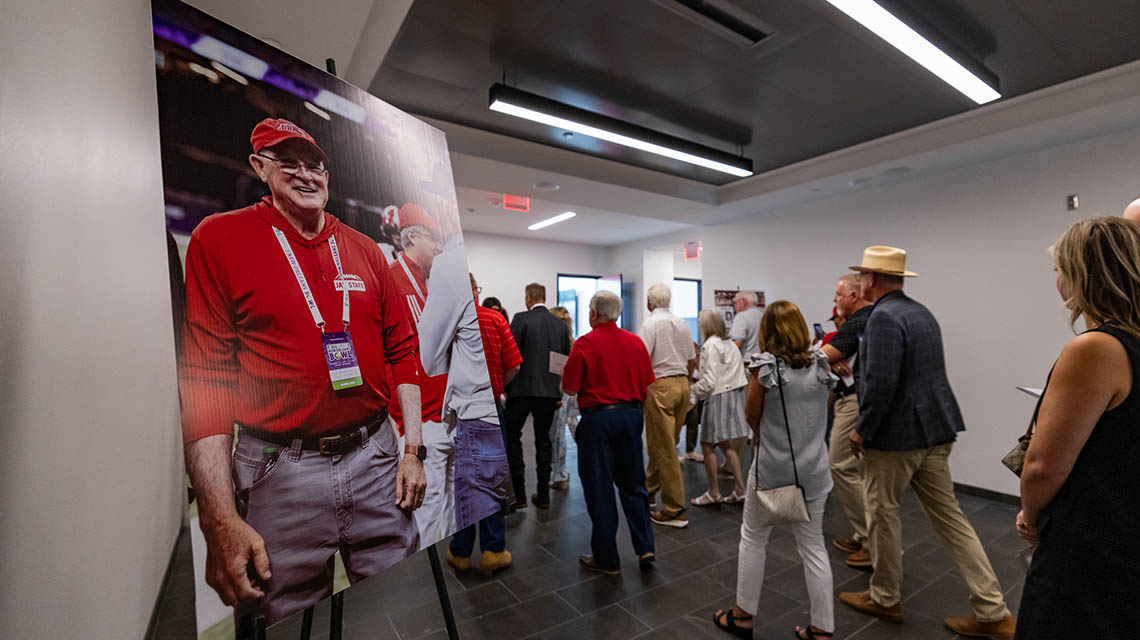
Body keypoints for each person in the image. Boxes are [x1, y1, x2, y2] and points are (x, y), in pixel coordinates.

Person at [179, 118, 425, 624]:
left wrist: (413, 451)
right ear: (259, 168)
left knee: (400, 608)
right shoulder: (219, 239)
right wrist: (219, 518)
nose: (307, 174)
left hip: (375, 456)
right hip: (279, 471)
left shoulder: (365, 251)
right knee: (284, 620)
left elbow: (403, 349)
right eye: (288, 162)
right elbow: (206, 382)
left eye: (316, 165)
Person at [838, 246, 1015, 638]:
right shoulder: (920, 312)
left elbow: (881, 384)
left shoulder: (883, 318)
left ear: (871, 278)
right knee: (950, 518)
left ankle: (884, 597)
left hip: (897, 438)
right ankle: (992, 610)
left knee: (882, 512)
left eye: (862, 275)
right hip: (935, 431)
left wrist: (861, 428)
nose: (860, 280)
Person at [1015, 217, 1140, 640]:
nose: (1057, 280)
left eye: (1058, 269)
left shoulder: (1096, 348)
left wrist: (1031, 519)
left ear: (1080, 275)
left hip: (1090, 547)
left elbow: (1043, 466)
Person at [712, 301, 836, 640]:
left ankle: (743, 616)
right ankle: (823, 629)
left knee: (753, 539)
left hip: (773, 469)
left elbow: (752, 416)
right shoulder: (822, 365)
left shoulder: (767, 369)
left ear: (768, 332)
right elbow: (821, 411)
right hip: (814, 471)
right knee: (813, 548)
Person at [561, 291, 656, 575]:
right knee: (634, 485)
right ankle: (645, 548)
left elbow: (569, 387)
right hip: (630, 416)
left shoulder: (585, 343)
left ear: (593, 313)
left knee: (599, 488)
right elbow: (647, 386)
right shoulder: (636, 342)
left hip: (598, 420)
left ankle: (607, 558)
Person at [445, 273, 523, 574]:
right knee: (492, 480)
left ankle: (461, 552)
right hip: (489, 408)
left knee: (464, 481)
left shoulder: (447, 326)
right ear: (475, 291)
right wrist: (498, 388)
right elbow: (514, 364)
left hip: (460, 411)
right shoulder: (495, 320)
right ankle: (492, 550)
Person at [387, 202, 454, 546]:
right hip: (420, 422)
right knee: (425, 513)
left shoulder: (427, 285)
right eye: (434, 239)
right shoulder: (393, 281)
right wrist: (404, 425)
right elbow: (391, 358)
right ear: (412, 237)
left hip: (440, 414)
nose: (440, 248)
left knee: (443, 507)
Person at [820, 274, 873, 567]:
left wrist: (824, 357)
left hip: (853, 401)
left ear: (854, 295)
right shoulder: (866, 319)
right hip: (853, 397)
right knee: (857, 471)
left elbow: (822, 356)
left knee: (840, 464)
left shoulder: (858, 321)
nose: (835, 300)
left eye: (839, 294)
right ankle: (864, 534)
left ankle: (870, 539)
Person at [505, 283, 572, 510]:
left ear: (529, 298)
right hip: (548, 393)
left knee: (513, 438)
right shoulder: (560, 326)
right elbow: (562, 363)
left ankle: (520, 497)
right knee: (544, 441)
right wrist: (557, 391)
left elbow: (511, 353)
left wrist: (505, 385)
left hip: (520, 391)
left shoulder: (521, 319)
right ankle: (543, 495)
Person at [640, 283, 697, 528]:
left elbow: (641, 360)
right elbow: (692, 359)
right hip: (682, 384)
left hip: (661, 386)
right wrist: (688, 384)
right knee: (665, 443)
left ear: (649, 302)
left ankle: (676, 510)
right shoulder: (681, 323)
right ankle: (649, 489)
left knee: (664, 449)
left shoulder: (650, 325)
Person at [688, 309, 748, 505]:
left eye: (700, 321)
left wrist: (692, 391)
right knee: (725, 443)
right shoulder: (729, 344)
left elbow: (711, 381)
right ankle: (740, 489)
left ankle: (714, 492)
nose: (698, 324)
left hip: (718, 398)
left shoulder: (710, 346)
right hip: (733, 395)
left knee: (707, 444)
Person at [548, 306, 578, 492]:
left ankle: (559, 474)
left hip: (558, 392)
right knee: (558, 435)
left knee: (556, 435)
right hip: (566, 392)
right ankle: (558, 473)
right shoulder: (572, 343)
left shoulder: (557, 344)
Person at [680, 340, 704, 463]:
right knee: (677, 422)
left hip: (694, 390)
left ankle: (690, 450)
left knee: (693, 421)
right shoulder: (680, 348)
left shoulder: (695, 347)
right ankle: (672, 451)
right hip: (683, 387)